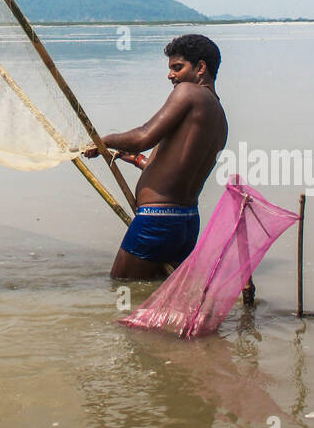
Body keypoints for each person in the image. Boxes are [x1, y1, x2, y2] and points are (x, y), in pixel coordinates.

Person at [84, 34, 228, 280]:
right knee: (155, 295)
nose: (170, 75)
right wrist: (137, 160)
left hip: (157, 222)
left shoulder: (188, 92)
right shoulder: (219, 115)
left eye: (177, 67)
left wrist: (104, 140)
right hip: (186, 224)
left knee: (122, 287)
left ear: (201, 67)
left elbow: (144, 136)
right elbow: (181, 168)